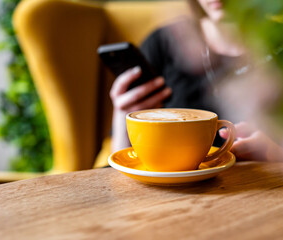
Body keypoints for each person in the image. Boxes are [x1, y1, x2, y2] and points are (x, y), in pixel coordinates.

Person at [109, 0, 283, 162]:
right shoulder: (164, 42)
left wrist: (276, 154)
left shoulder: (277, 42)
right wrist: (123, 118)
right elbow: (121, 160)